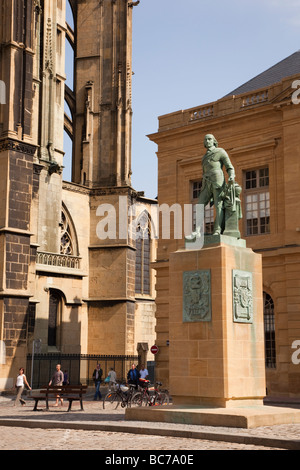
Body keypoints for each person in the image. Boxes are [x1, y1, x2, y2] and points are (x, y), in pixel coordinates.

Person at [198, 134, 235, 236]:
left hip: (217, 179)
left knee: (218, 205)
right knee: (199, 205)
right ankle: (197, 231)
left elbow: (229, 167)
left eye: (209, 139)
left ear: (214, 141)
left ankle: (217, 230)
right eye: (205, 139)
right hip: (206, 181)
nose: (207, 141)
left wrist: (231, 176)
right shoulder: (204, 157)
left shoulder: (220, 151)